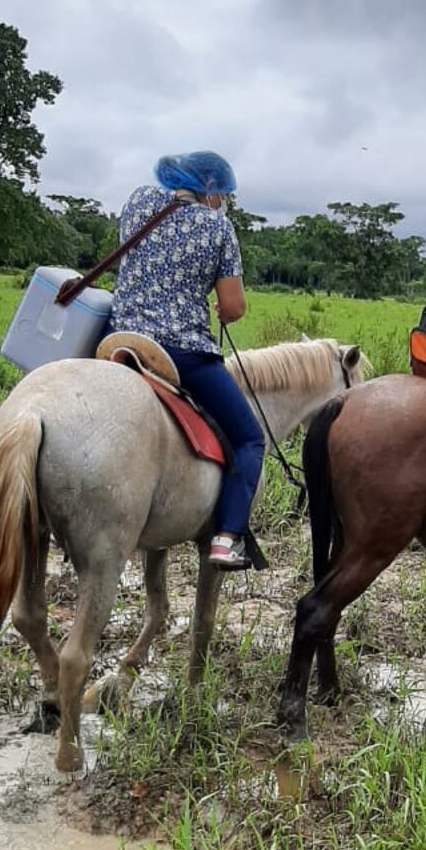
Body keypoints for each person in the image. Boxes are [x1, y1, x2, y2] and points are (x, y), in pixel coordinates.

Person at [108, 150, 264, 570]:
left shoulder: (139, 199)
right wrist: (221, 305)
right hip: (180, 352)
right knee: (250, 438)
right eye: (224, 194)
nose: (224, 201)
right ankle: (227, 539)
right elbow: (232, 307)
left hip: (120, 337)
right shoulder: (218, 227)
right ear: (212, 191)